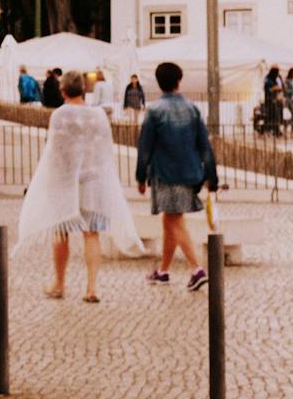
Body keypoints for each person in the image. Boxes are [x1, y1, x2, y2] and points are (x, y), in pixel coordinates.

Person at [18, 69, 142, 302]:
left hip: (65, 180)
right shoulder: (98, 115)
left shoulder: (60, 115)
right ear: (84, 90)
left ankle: (60, 283)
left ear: (63, 90)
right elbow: (104, 149)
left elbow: (54, 150)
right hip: (94, 180)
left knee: (61, 231)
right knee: (91, 232)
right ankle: (92, 287)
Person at [136, 60, 219, 292]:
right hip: (191, 172)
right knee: (169, 220)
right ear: (179, 81)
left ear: (159, 83)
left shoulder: (154, 110)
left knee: (174, 221)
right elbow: (205, 145)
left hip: (165, 173)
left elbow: (145, 147)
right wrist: (212, 176)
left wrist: (140, 176)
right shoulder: (192, 108)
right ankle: (163, 270)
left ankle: (197, 269)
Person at [262, 66, 284, 136]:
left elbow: (280, 87)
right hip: (269, 100)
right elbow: (267, 89)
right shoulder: (267, 79)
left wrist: (279, 88)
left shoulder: (277, 78)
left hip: (276, 99)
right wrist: (273, 88)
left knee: (275, 116)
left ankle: (276, 131)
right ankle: (264, 130)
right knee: (271, 116)